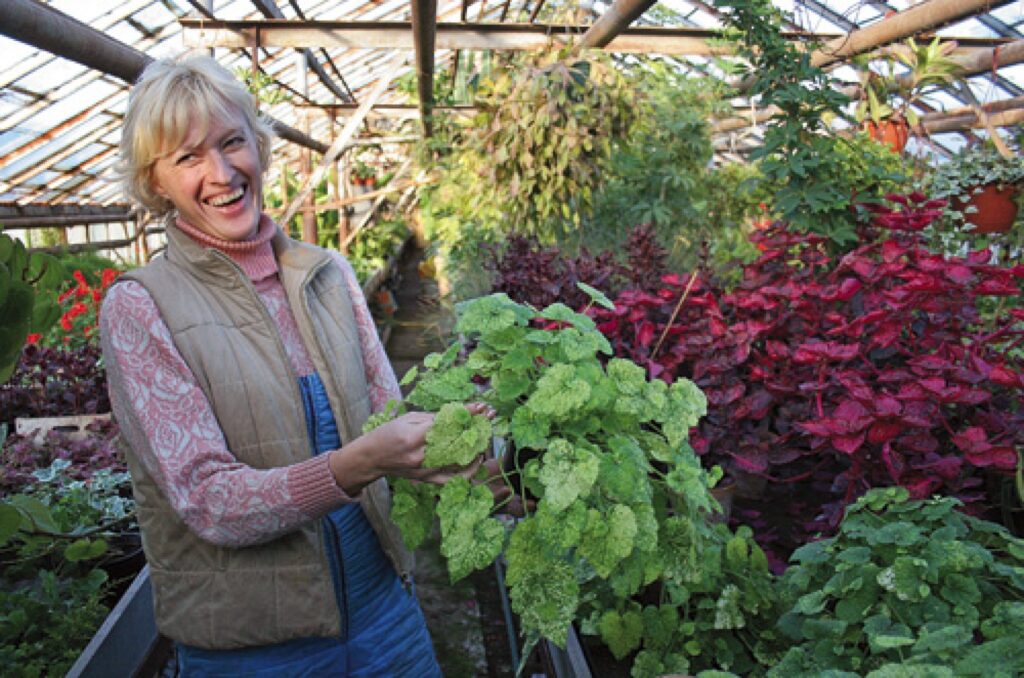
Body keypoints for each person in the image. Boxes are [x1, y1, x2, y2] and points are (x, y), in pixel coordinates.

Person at [101, 53, 482, 676]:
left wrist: (474, 451)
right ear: (155, 181)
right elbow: (209, 500)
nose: (222, 172)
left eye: (232, 142)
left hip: (385, 616)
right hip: (255, 648)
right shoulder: (141, 307)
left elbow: (393, 414)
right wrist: (357, 463)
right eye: (188, 157)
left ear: (260, 144)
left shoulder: (326, 274)